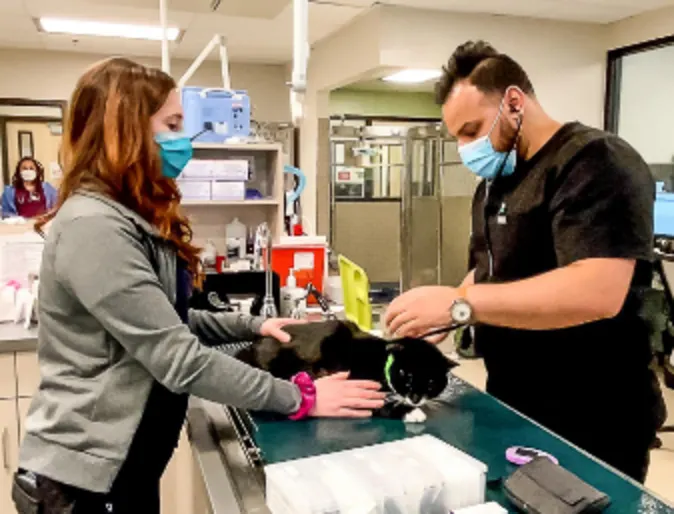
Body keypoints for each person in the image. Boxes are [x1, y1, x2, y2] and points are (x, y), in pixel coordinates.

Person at [15, 57, 385, 514]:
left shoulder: (128, 218)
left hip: (122, 471)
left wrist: (253, 326)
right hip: (81, 483)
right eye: (171, 124)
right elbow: (178, 359)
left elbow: (168, 317)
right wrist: (301, 397)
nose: (183, 140)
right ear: (127, 130)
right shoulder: (95, 228)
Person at [384, 41, 666, 483]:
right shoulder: (495, 184)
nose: (465, 147)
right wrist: (447, 313)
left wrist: (460, 305)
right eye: (457, 135)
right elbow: (490, 270)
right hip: (515, 401)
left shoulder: (595, 163)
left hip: (593, 414)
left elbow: (597, 291)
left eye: (473, 129)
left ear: (514, 102)